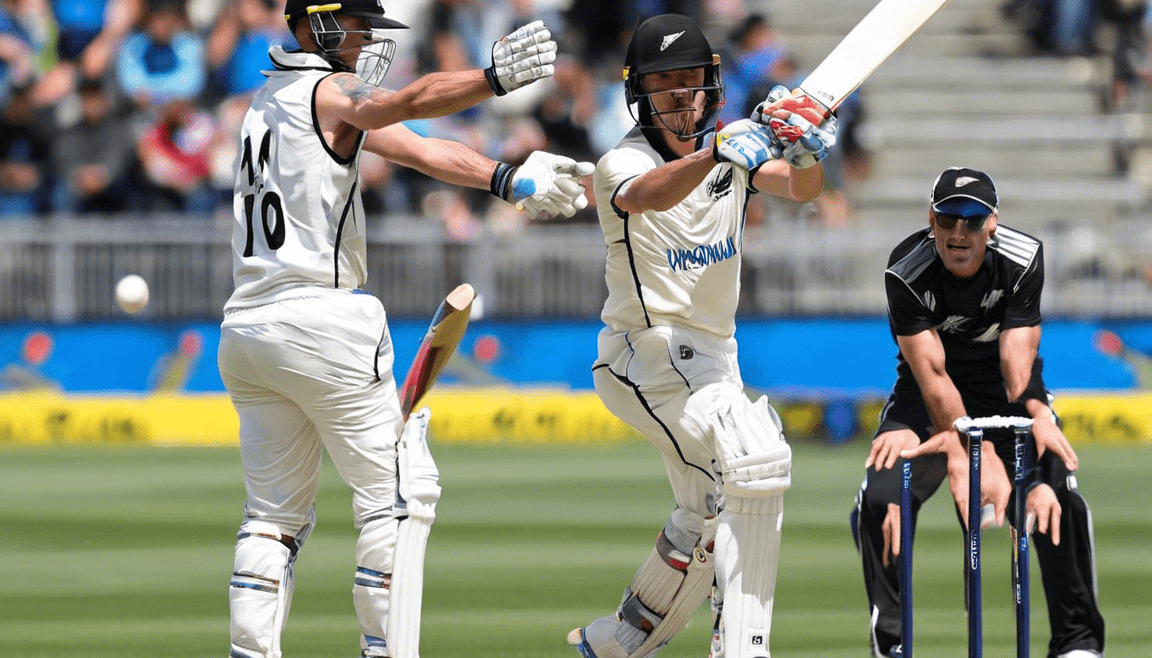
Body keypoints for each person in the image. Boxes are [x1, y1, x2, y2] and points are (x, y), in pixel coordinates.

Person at [215, 3, 591, 657]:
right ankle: (387, 649)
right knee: (396, 501)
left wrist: (508, 177)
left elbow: (417, 148)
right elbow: (409, 102)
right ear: (321, 25)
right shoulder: (328, 91)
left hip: (247, 327)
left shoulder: (266, 103)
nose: (366, 45)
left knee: (271, 521)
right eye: (358, 28)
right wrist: (489, 80)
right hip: (322, 320)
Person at [566, 13, 836, 658]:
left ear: (712, 84)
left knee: (710, 508)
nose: (681, 95)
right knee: (754, 463)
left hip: (714, 361)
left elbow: (801, 190)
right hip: (645, 358)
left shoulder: (735, 152)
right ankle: (742, 646)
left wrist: (806, 152)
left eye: (691, 80)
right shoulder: (620, 162)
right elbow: (644, 197)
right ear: (640, 94)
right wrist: (719, 151)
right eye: (666, 84)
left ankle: (618, 639)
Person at [850, 167, 1106, 658]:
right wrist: (976, 453)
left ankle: (1077, 644)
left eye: (971, 220)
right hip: (926, 400)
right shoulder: (906, 270)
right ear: (931, 219)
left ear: (992, 222)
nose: (958, 233)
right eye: (947, 219)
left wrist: (1038, 413)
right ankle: (891, 643)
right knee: (881, 497)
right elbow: (933, 376)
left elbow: (1016, 362)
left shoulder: (1023, 257)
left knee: (1055, 498)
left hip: (1006, 393)